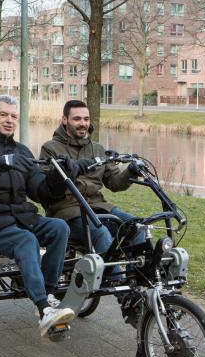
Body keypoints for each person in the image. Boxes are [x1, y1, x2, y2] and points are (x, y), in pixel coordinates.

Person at [0, 95, 94, 336]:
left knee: (59, 228)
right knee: (26, 240)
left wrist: (57, 178)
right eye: (4, 115)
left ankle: (47, 296)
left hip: (19, 217)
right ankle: (42, 308)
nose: (9, 120)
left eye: (14, 116)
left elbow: (39, 191)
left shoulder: (21, 151)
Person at [39, 100, 143, 278]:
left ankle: (138, 281)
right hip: (67, 210)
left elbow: (115, 183)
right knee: (101, 232)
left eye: (86, 119)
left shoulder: (97, 149)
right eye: (77, 119)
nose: (83, 123)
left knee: (136, 226)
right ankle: (119, 287)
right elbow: (46, 188)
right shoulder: (51, 149)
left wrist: (131, 172)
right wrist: (67, 170)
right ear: (65, 120)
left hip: (98, 207)